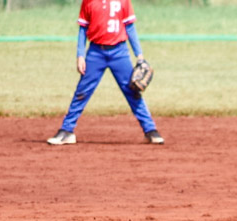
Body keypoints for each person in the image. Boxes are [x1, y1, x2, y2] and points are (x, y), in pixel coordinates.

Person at [47, 0, 163, 146]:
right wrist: (80, 55)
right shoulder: (88, 2)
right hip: (95, 52)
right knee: (82, 92)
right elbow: (83, 29)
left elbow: (130, 27)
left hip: (119, 52)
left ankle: (150, 130)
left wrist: (139, 56)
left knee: (132, 91)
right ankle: (67, 131)